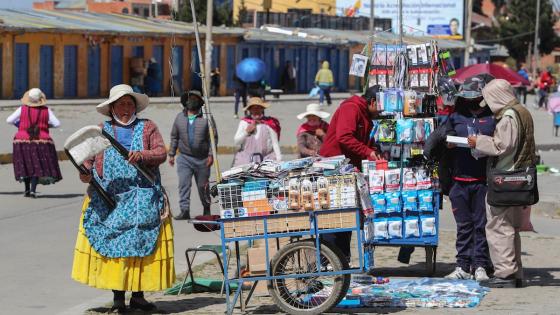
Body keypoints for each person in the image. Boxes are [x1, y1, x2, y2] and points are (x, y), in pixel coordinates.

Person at [71, 84, 175, 312]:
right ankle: (118, 298)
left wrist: (143, 154)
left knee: (140, 246)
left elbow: (160, 152)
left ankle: (138, 297)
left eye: (129, 104)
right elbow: (87, 162)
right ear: (111, 108)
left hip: (142, 199)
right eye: (121, 104)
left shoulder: (148, 128)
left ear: (135, 106)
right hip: (110, 200)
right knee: (115, 245)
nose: (126, 108)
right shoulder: (100, 131)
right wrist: (85, 174)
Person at [467, 79, 536, 288]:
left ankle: (505, 274)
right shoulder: (523, 112)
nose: (488, 106)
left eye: (489, 100)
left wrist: (478, 141)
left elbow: (501, 146)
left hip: (504, 180)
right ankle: (516, 272)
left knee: (499, 227)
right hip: (519, 180)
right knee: (511, 228)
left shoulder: (508, 117)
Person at [319, 85, 382, 259]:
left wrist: (373, 149)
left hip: (348, 170)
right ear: (373, 101)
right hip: (333, 167)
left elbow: (363, 142)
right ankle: (327, 260)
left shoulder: (368, 116)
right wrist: (367, 152)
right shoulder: (351, 107)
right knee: (332, 219)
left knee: (347, 217)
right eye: (381, 105)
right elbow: (344, 137)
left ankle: (342, 259)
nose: (382, 111)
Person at [444, 76, 496, 282]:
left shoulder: (493, 117)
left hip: (483, 181)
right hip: (459, 181)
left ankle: (481, 264)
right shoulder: (456, 116)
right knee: (464, 226)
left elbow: (498, 144)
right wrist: (449, 142)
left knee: (481, 225)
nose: (470, 101)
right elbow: (446, 135)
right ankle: (462, 265)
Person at [169, 90, 217, 220]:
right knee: (183, 184)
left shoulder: (206, 117)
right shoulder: (179, 117)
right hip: (184, 157)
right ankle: (184, 210)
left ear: (200, 102)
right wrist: (172, 154)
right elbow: (174, 136)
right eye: (190, 98)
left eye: (195, 99)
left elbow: (213, 138)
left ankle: (206, 208)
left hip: (202, 159)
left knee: (203, 186)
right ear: (185, 102)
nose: (192, 101)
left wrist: (211, 155)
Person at [6, 88, 62, 197]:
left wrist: (20, 124)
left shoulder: (22, 109)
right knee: (36, 165)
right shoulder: (46, 110)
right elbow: (57, 124)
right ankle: (32, 190)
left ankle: (26, 190)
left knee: (25, 164)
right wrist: (46, 125)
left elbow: (9, 120)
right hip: (41, 140)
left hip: (21, 140)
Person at [233, 97, 281, 166]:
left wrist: (279, 160)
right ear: (250, 110)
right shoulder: (244, 123)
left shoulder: (270, 123)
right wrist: (246, 132)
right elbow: (236, 141)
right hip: (246, 160)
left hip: (267, 159)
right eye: (253, 108)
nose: (256, 110)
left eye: (258, 107)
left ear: (262, 109)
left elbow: (275, 143)